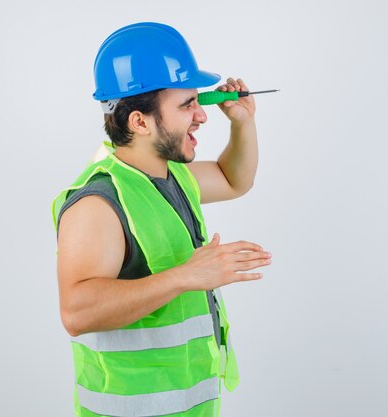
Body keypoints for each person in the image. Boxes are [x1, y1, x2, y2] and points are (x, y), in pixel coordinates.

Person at [52, 22, 272, 417]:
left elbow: (233, 179)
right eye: (187, 104)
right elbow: (76, 312)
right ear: (139, 121)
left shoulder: (173, 176)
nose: (202, 116)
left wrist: (243, 123)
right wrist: (186, 275)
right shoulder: (99, 202)